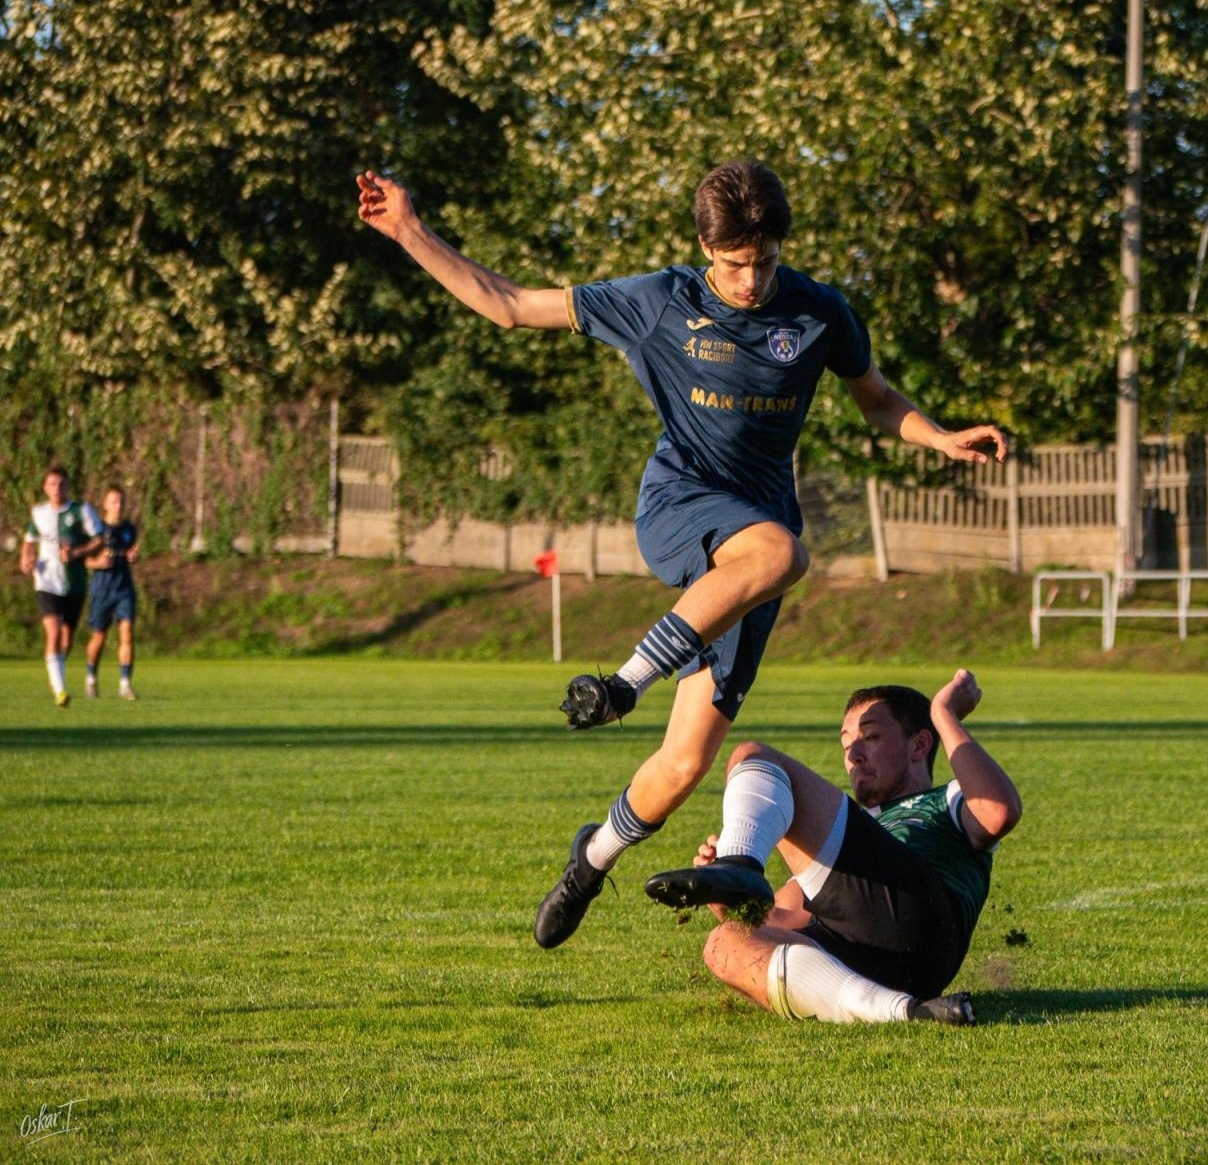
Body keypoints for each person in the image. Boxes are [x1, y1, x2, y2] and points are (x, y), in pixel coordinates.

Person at [358, 161, 1009, 949]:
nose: (751, 279)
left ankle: (587, 861)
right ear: (705, 248)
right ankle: (624, 684)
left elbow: (877, 401)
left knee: (684, 763)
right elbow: (509, 306)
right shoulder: (659, 301)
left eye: (765, 261)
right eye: (736, 264)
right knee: (784, 553)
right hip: (682, 508)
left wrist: (937, 434)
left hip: (751, 557)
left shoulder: (819, 310)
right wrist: (409, 230)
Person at [643, 668, 1021, 1025]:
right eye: (846, 745)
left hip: (927, 917)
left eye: (870, 738)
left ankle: (741, 861)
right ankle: (900, 1011)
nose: (854, 755)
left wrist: (942, 714)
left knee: (751, 756)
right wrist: (721, 895)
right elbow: (776, 920)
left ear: (920, 744)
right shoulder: (849, 853)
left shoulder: (947, 799)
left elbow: (997, 812)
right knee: (725, 944)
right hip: (889, 970)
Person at [18, 466, 104, 707]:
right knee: (54, 633)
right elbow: (29, 541)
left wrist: (78, 551)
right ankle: (60, 690)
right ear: (45, 487)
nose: (57, 489)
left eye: (61, 484)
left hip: (74, 583)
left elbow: (99, 538)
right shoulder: (39, 513)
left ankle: (58, 679)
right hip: (46, 581)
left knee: (66, 639)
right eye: (52, 484)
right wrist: (26, 558)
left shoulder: (81, 510)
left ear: (68, 486)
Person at [84, 484, 141, 700]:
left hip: (124, 588)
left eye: (121, 501)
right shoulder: (96, 529)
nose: (118, 506)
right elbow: (85, 561)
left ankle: (125, 684)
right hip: (101, 589)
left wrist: (133, 557)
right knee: (99, 636)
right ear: (105, 504)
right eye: (114, 501)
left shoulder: (129, 529)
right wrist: (97, 562)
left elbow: (131, 552)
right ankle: (91, 678)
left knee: (127, 633)